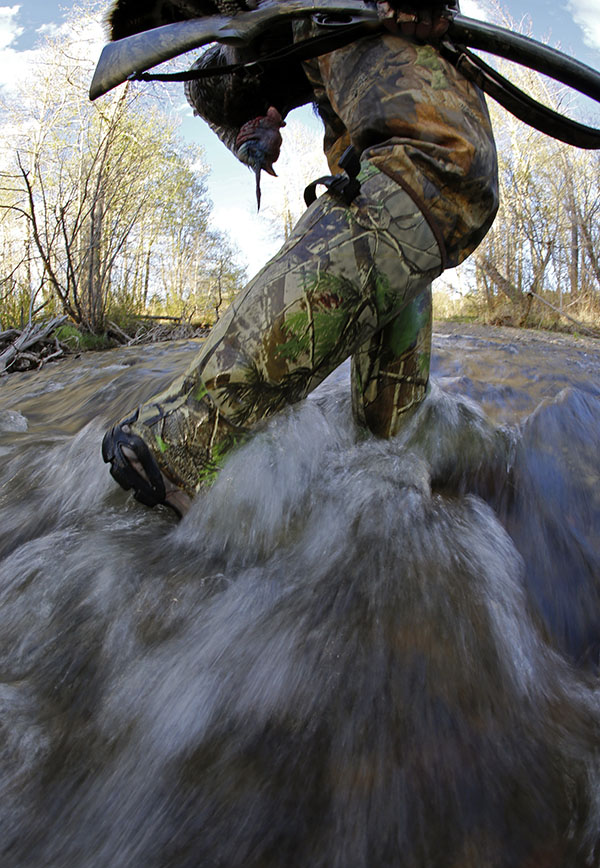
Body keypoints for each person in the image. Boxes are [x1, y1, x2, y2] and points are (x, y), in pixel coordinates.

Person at [102, 0, 499, 516]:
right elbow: (219, 92)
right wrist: (249, 130)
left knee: (395, 190)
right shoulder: (218, 52)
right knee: (431, 164)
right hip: (337, 20)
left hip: (346, 24)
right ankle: (184, 437)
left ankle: (387, 464)